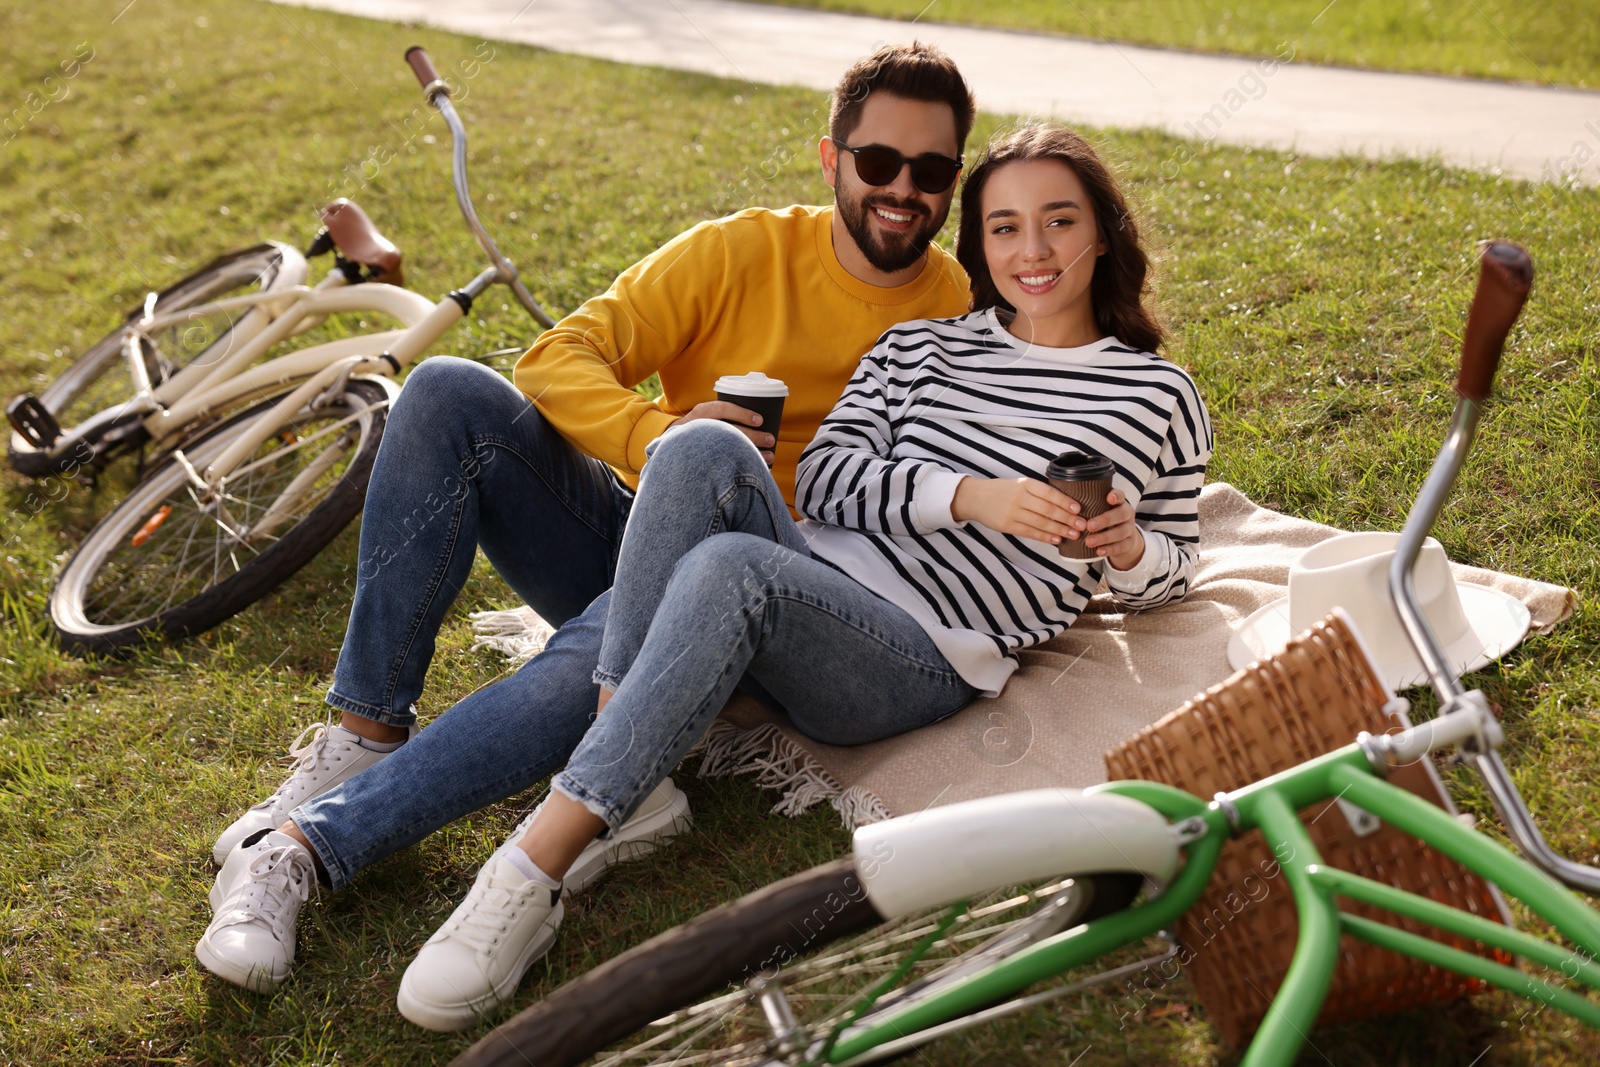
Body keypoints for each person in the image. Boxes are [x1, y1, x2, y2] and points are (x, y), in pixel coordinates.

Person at [388, 121, 1213, 1031]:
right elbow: (825, 479)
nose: (1035, 250)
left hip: (923, 653)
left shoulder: (1156, 395)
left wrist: (1132, 550)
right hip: (815, 571)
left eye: (1059, 221)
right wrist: (971, 497)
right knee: (700, 441)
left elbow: (1173, 571)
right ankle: (627, 774)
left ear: (1103, 230)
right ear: (978, 242)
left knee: (732, 566)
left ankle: (533, 866)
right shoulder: (923, 350)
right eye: (1006, 227)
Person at [195, 43, 976, 1000]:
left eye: (932, 171)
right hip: (654, 514)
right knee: (443, 391)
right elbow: (560, 354)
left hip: (778, 598)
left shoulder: (964, 308)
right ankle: (363, 735)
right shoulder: (739, 250)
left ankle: (301, 851)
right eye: (879, 163)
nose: (904, 190)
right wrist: (655, 432)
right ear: (830, 159)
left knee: (619, 628)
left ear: (954, 182)